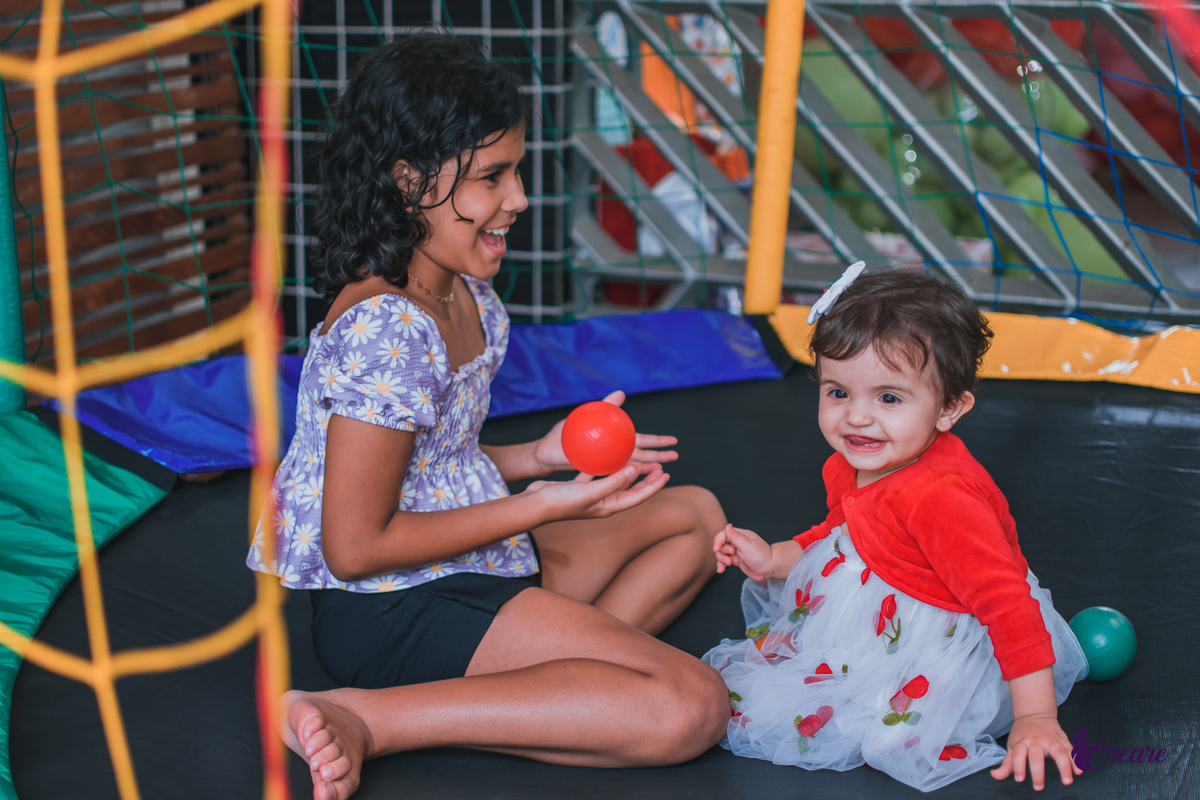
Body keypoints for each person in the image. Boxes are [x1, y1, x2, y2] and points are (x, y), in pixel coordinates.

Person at [246, 34, 729, 800]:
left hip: (465, 562)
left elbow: (431, 470)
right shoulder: (389, 330)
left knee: (697, 518)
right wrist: (541, 506)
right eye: (492, 178)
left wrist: (539, 457)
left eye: (517, 170)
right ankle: (371, 718)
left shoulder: (465, 294)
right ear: (410, 183)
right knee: (691, 708)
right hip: (390, 609)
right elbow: (356, 544)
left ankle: (556, 691)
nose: (520, 198)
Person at [706, 266, 1088, 793]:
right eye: (838, 392)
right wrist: (777, 556)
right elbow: (843, 530)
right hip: (870, 609)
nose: (857, 418)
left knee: (878, 729)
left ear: (949, 408)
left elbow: (1006, 605)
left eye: (888, 398)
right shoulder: (849, 461)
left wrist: (1036, 718)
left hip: (940, 636)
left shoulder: (943, 497)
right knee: (770, 681)